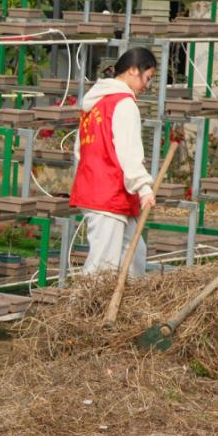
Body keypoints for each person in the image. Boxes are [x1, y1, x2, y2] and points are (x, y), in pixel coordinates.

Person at [70, 47, 157, 278]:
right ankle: (83, 312)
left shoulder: (95, 104)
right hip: (108, 193)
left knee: (134, 253)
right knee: (102, 266)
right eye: (147, 78)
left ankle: (129, 308)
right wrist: (144, 187)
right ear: (132, 70)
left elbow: (81, 150)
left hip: (99, 188)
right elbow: (129, 151)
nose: (147, 86)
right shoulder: (124, 104)